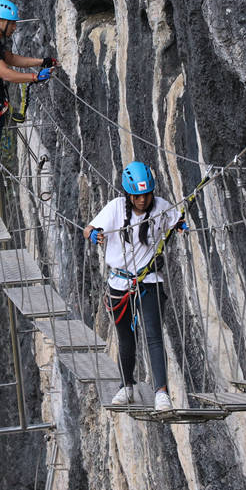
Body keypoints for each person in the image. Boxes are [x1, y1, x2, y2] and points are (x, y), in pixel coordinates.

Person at [82, 161, 188, 412]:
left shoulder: (161, 207)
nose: (142, 200)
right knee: (125, 337)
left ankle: (161, 392)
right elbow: (88, 229)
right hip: (119, 283)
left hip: (148, 281)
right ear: (128, 194)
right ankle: (126, 386)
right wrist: (94, 234)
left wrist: (181, 225)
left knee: (153, 335)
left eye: (146, 194)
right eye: (137, 196)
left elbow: (177, 220)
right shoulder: (116, 208)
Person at [0, 0, 58, 227]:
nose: (15, 27)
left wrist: (41, 62)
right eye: (12, 23)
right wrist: (35, 77)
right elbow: (6, 73)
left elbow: (11, 59)